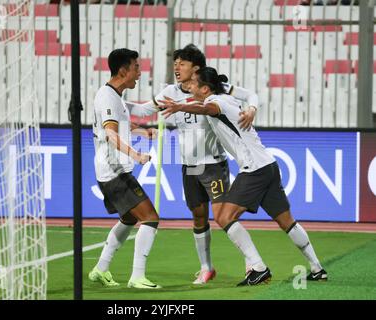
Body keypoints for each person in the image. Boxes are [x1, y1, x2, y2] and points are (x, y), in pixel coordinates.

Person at [159, 66, 328, 286]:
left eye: (193, 83)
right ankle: (317, 268)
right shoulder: (220, 99)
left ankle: (258, 267)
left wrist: (180, 106)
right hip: (268, 165)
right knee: (287, 221)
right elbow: (208, 105)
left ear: (205, 88)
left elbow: (208, 109)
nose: (189, 86)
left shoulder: (218, 103)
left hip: (254, 169)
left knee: (224, 217)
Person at [125, 44, 259, 284]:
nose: (177, 67)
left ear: (196, 68)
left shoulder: (213, 87)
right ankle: (206, 267)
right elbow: (144, 111)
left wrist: (251, 108)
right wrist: (118, 102)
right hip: (189, 166)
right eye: (175, 63)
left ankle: (252, 263)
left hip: (213, 164)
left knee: (223, 216)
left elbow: (250, 95)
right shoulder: (170, 91)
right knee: (198, 218)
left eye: (182, 63)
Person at [88, 48, 162, 289]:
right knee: (150, 218)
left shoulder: (115, 96)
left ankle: (100, 269)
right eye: (136, 67)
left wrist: (144, 131)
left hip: (112, 170)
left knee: (129, 218)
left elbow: (121, 126)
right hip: (114, 171)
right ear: (123, 70)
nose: (139, 72)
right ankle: (137, 276)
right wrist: (136, 154)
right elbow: (110, 134)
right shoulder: (107, 97)